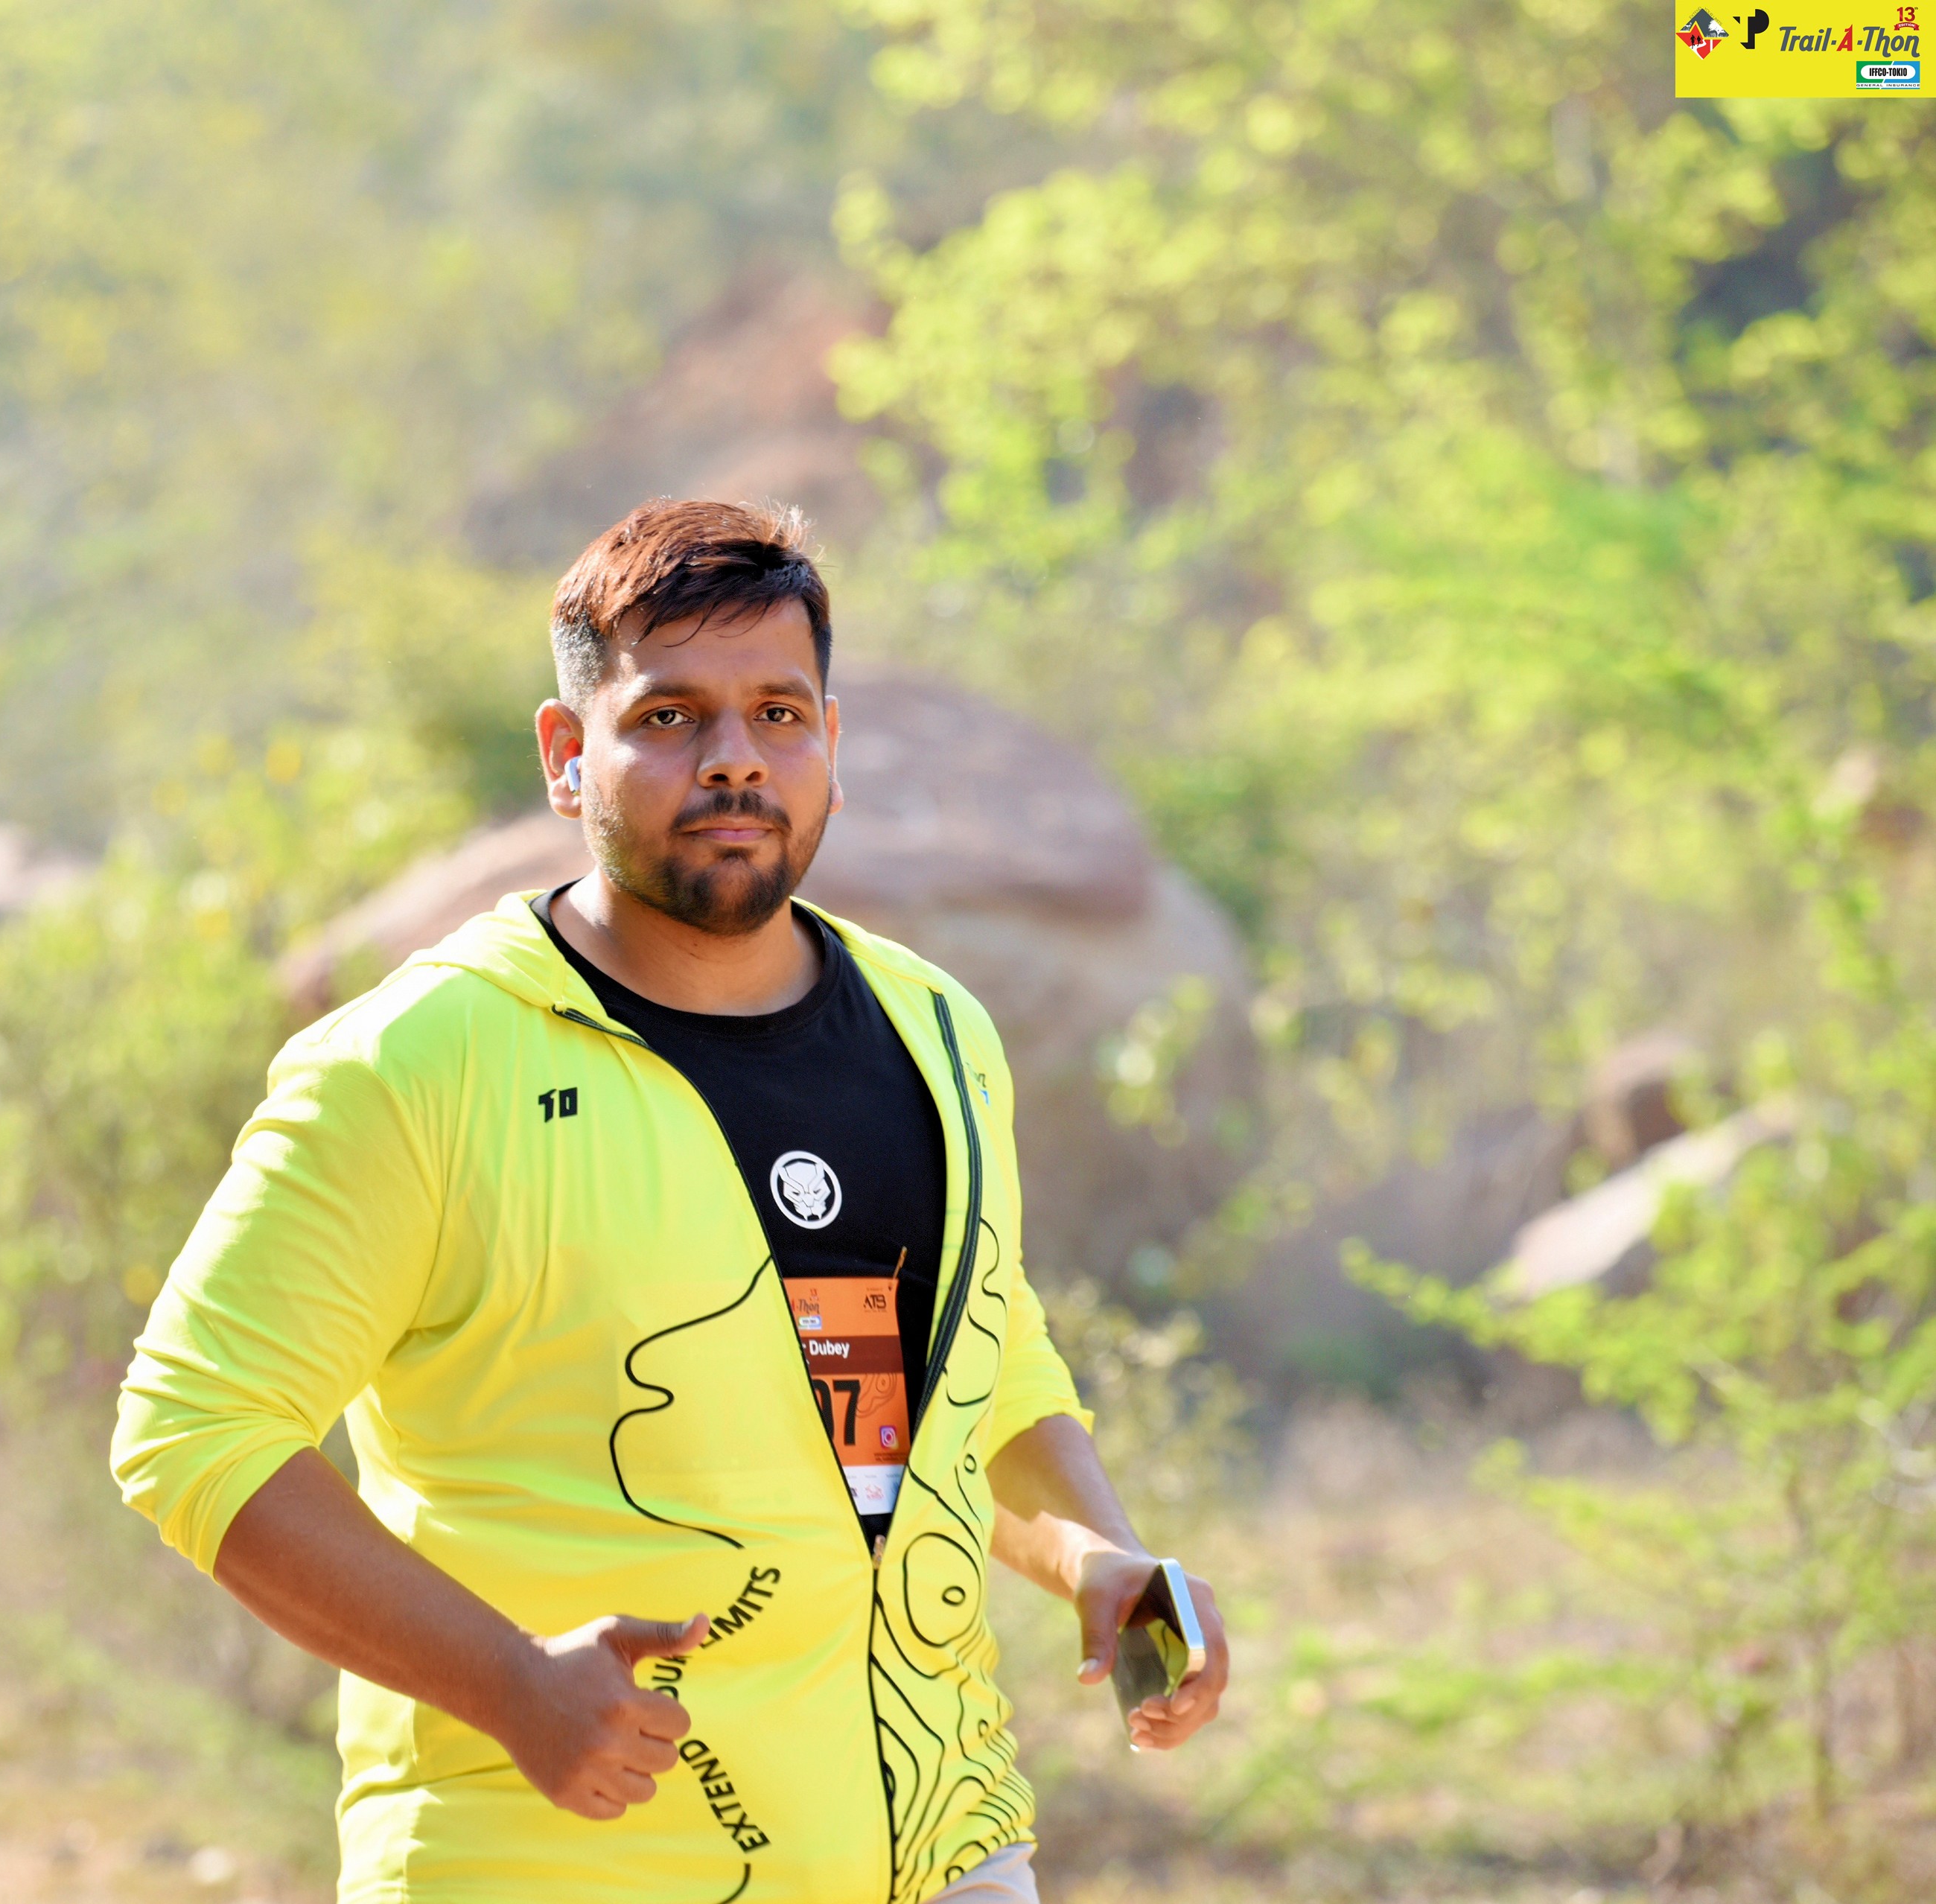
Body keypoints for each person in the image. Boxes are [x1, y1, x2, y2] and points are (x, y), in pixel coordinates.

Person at [111, 500, 1229, 1903]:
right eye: (669, 717)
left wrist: (1097, 1557)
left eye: (779, 713)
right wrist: (512, 1683)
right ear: (565, 753)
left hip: (948, 1848)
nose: (735, 758)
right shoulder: (417, 1062)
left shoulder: (938, 1030)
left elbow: (977, 1361)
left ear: (832, 745)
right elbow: (194, 1427)